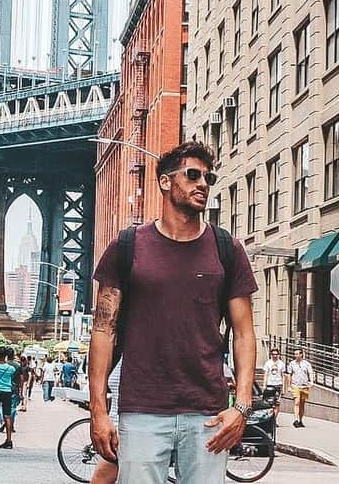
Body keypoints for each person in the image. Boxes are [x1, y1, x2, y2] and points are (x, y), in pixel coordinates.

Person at [89, 141, 259, 484]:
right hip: (143, 409)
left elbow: (243, 333)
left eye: (208, 178)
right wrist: (99, 410)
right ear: (166, 182)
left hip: (207, 412)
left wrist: (241, 405)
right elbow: (103, 330)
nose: (203, 184)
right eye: (192, 175)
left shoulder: (228, 249)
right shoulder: (128, 246)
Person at [285, 348, 315, 428]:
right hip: (295, 385)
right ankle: (295, 420)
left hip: (304, 386)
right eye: (295, 354)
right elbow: (289, 375)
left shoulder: (307, 364)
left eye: (297, 354)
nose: (296, 356)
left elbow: (310, 372)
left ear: (301, 354)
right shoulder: (292, 364)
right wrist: (289, 386)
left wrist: (311, 381)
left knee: (302, 404)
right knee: (297, 402)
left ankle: (301, 420)